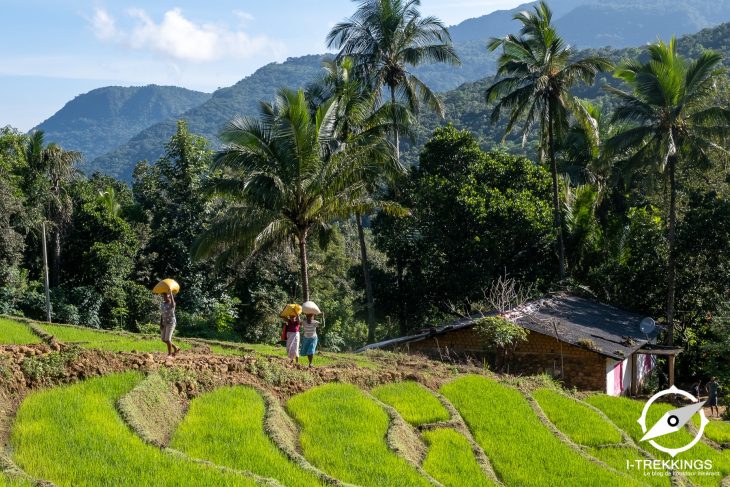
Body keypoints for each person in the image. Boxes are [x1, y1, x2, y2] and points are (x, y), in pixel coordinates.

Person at [160, 292, 180, 357]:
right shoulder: (163, 304)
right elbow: (162, 314)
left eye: (165, 296)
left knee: (168, 339)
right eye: (163, 296)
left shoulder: (172, 304)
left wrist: (171, 293)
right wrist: (161, 323)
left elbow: (173, 305)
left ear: (169, 296)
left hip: (171, 323)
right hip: (164, 323)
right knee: (163, 339)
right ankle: (176, 347)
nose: (164, 297)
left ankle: (169, 354)